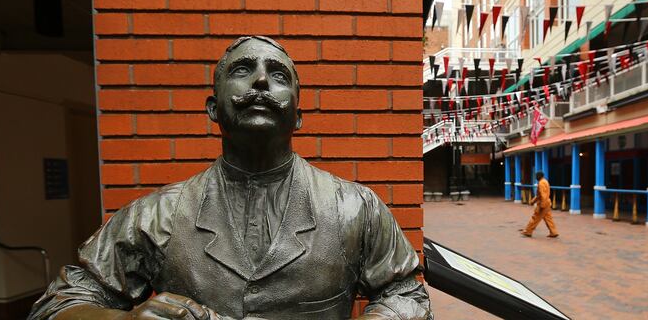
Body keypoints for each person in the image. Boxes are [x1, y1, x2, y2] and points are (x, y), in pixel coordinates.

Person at [29, 36, 432, 320]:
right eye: (243, 70)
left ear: (299, 114)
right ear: (212, 108)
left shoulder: (354, 208)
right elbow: (59, 305)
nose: (260, 81)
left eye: (277, 75)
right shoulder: (156, 216)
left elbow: (407, 294)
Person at [521, 171, 559, 238]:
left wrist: (542, 205)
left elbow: (543, 195)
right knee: (548, 218)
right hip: (547, 203)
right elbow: (539, 195)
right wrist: (533, 201)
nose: (536, 177)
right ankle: (554, 232)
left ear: (539, 176)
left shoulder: (541, 183)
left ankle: (528, 231)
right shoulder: (545, 181)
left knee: (535, 218)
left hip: (543, 204)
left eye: (536, 176)